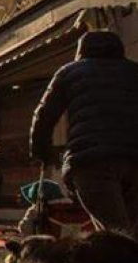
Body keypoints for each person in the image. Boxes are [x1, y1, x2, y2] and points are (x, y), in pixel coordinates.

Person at [30, 30, 138, 238]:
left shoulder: (69, 72)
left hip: (90, 163)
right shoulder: (134, 71)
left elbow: (42, 116)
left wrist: (42, 153)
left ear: (81, 50)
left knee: (116, 234)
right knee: (130, 232)